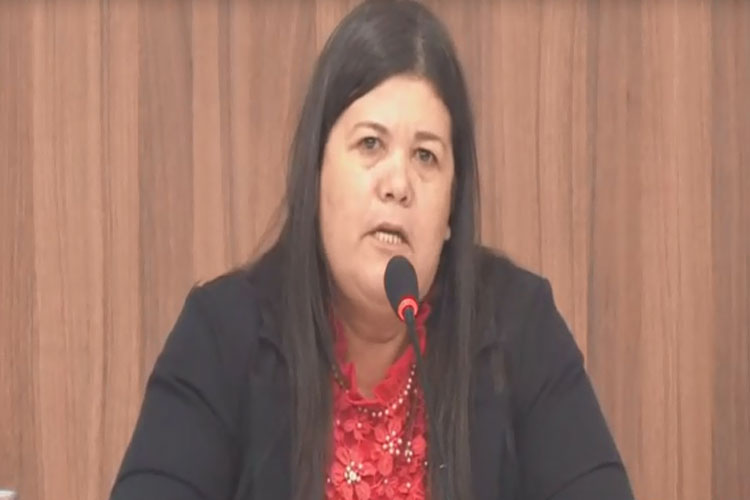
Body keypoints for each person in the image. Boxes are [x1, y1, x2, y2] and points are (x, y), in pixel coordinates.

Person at [109, 1, 634, 499]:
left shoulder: (517, 327)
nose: (398, 184)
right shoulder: (221, 335)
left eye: (425, 156)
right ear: (316, 172)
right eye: (370, 144)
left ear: (451, 209)